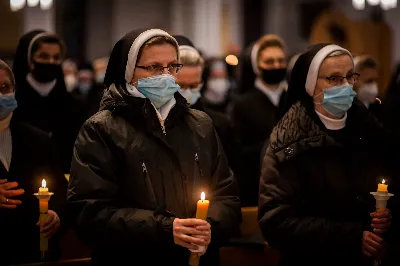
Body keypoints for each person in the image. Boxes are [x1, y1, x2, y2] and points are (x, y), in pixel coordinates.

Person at [67, 28, 241, 265]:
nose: (166, 75)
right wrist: (167, 229)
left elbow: (226, 195)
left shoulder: (200, 124)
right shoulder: (101, 129)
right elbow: (89, 214)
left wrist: (210, 226)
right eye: (155, 67)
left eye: (172, 66)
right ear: (128, 71)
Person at [258, 44, 396, 266]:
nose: (345, 85)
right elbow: (276, 222)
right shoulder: (288, 142)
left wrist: (387, 217)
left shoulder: (371, 131)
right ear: (311, 84)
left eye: (349, 77)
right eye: (333, 79)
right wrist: (350, 237)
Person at [0, 59, 67, 265]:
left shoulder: (37, 138)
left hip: (33, 249)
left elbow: (63, 189)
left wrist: (56, 214)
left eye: (5, 87)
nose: (1, 95)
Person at [12, 30, 83, 173]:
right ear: (29, 60)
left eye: (56, 57)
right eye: (44, 56)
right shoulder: (12, 103)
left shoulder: (74, 106)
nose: (51, 62)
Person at [231, 34, 288, 206]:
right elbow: (238, 152)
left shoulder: (293, 99)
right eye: (269, 62)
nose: (276, 66)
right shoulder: (242, 104)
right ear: (257, 66)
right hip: (256, 186)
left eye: (280, 60)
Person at [173, 35, 234, 167]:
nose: (187, 92)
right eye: (181, 86)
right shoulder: (155, 126)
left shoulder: (218, 124)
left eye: (193, 85)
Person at [353, 55, 382, 122]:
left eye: (375, 80)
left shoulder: (379, 106)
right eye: (369, 81)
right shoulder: (344, 111)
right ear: (354, 80)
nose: (373, 85)